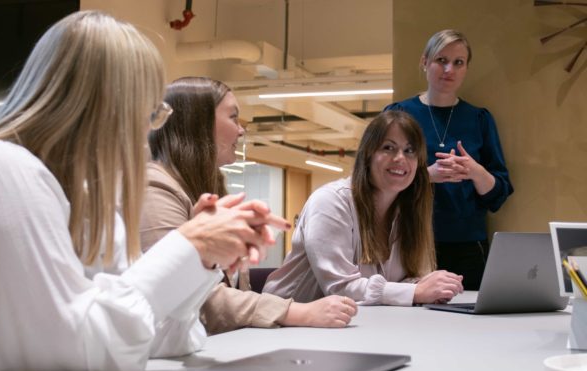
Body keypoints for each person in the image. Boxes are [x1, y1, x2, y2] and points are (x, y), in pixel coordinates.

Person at [0, 11, 288, 371]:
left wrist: (202, 259)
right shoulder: (3, 168)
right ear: (97, 102)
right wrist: (189, 245)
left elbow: (173, 336)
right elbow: (85, 347)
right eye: (147, 110)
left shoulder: (87, 197)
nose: (148, 128)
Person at [141, 77, 358, 335]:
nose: (242, 130)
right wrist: (298, 312)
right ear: (199, 124)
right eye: (233, 118)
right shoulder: (155, 189)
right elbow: (183, 293)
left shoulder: (207, 188)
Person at [263, 111, 464, 305]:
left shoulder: (406, 210)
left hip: (349, 325)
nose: (400, 158)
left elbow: (395, 282)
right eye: (388, 147)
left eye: (410, 151)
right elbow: (340, 287)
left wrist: (426, 284)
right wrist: (416, 292)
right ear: (367, 155)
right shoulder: (330, 202)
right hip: (285, 326)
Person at [384, 30, 513, 290]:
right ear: (424, 62)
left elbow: (499, 194)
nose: (449, 69)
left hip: (469, 247)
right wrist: (425, 176)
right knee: (409, 324)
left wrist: (475, 171)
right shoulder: (399, 114)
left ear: (466, 68)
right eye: (441, 60)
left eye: (458, 62)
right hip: (408, 241)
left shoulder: (479, 119)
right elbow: (377, 180)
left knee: (470, 326)